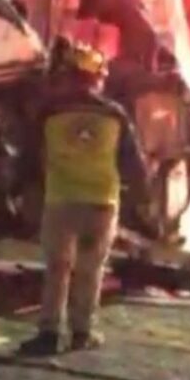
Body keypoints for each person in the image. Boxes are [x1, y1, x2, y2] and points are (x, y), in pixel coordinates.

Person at [17, 44, 152, 357]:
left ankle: (49, 333)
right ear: (97, 79)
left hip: (61, 201)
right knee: (90, 270)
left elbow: (28, 157)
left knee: (57, 269)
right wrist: (143, 201)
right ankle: (82, 332)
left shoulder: (49, 113)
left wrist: (21, 188)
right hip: (102, 202)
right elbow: (132, 162)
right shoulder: (115, 115)